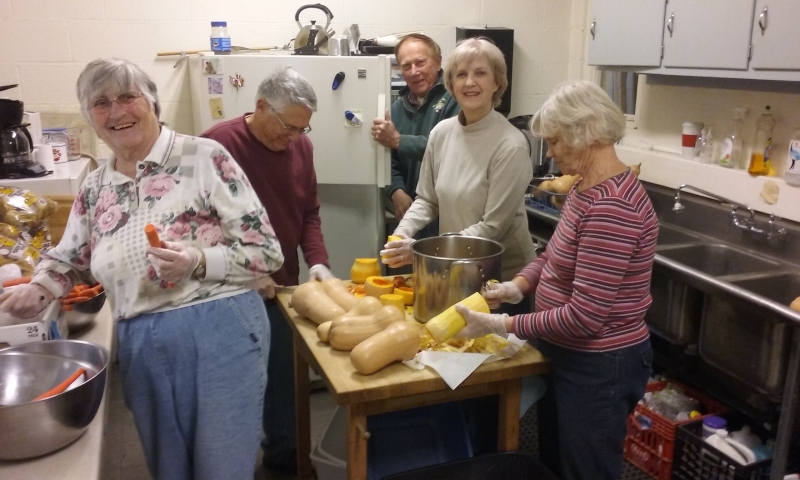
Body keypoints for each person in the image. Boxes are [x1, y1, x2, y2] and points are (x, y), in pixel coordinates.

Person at [0, 58, 284, 480]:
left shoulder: (203, 156)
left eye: (128, 97)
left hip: (219, 328)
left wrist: (198, 261)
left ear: (151, 101)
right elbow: (69, 255)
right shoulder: (97, 186)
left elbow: (267, 250)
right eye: (101, 103)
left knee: (220, 466)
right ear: (90, 117)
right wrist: (39, 288)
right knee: (168, 467)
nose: (116, 112)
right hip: (139, 340)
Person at [454, 80, 657, 480]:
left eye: (555, 141)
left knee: (586, 469)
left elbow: (584, 317)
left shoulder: (612, 209)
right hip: (569, 357)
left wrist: (503, 323)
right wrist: (521, 286)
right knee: (556, 460)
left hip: (600, 366)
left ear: (585, 134)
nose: (549, 152)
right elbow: (552, 256)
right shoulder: (587, 189)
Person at [201, 67, 333, 474]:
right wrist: (243, 272)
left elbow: (308, 212)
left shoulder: (302, 148)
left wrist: (320, 263)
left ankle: (285, 462)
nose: (294, 137)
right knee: (233, 390)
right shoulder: (214, 146)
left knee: (284, 385)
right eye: (288, 126)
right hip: (225, 295)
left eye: (303, 128)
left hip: (280, 288)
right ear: (260, 106)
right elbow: (195, 228)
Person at [381, 37, 536, 284]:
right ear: (451, 82)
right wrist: (401, 235)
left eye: (480, 73)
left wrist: (426, 251)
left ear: (497, 81)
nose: (470, 82)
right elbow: (427, 200)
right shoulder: (441, 133)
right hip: (455, 267)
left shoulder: (510, 145)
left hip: (503, 279)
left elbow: (491, 228)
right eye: (461, 74)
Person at [372, 33, 460, 239]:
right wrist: (395, 191)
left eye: (420, 62)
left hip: (449, 216)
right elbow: (387, 159)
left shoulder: (455, 98)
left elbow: (450, 150)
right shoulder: (396, 108)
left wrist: (398, 140)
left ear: (438, 62)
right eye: (406, 66)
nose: (414, 72)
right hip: (411, 216)